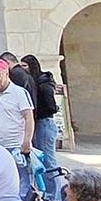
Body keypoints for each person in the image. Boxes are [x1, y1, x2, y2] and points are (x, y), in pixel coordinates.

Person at [0, 57, 36, 178]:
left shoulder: (19, 92)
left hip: (17, 145)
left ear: (6, 73)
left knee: (22, 179)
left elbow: (28, 117)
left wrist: (27, 141)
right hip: (0, 145)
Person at [20, 53, 61, 189]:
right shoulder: (33, 82)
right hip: (38, 123)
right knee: (40, 158)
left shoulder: (43, 84)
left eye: (25, 65)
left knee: (48, 159)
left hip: (44, 122)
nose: (22, 69)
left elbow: (51, 106)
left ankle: (54, 192)